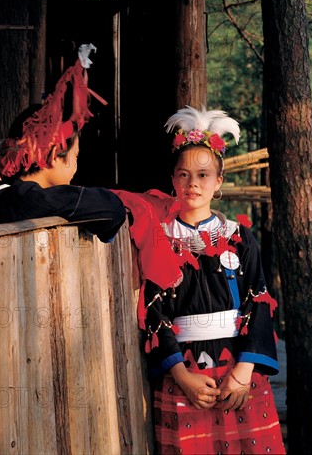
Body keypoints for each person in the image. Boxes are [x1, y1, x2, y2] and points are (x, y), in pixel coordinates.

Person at [113, 105, 285, 454]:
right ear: (173, 179)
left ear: (219, 181)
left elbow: (259, 299)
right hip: (186, 375)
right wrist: (182, 376)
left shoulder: (239, 237)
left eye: (204, 175)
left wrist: (244, 371)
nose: (193, 183)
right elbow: (152, 312)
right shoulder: (156, 238)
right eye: (184, 174)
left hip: (239, 371)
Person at [0, 44, 126, 243]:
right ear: (52, 156)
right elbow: (113, 210)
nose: (76, 165)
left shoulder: (11, 196)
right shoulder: (13, 198)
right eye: (75, 155)